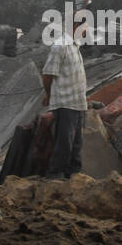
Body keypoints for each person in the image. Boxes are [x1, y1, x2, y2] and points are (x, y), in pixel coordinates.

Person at [41, 19, 89, 179]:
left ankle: (74, 175)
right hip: (65, 103)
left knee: (76, 144)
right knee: (64, 144)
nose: (86, 31)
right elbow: (47, 74)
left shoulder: (75, 46)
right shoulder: (60, 46)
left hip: (78, 103)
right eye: (84, 27)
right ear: (76, 26)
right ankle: (55, 176)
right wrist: (49, 96)